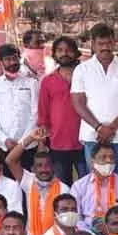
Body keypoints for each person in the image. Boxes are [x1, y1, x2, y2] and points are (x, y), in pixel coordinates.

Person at [71, 23, 118, 183]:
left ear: (114, 42)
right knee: (96, 181)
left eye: (109, 43)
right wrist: (99, 128)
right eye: (101, 44)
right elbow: (78, 103)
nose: (105, 47)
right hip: (92, 135)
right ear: (92, 44)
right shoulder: (82, 70)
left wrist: (112, 127)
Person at [38, 36, 86, 185]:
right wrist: (42, 141)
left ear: (76, 53)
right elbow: (43, 114)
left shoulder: (86, 76)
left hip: (84, 141)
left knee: (87, 185)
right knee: (62, 187)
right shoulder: (48, 81)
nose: (64, 53)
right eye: (59, 50)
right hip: (57, 143)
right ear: (54, 54)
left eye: (68, 50)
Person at [0, 42, 42, 172]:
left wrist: (23, 141)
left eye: (15, 58)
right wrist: (4, 139)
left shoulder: (31, 83)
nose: (12, 62)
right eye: (8, 59)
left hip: (29, 145)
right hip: (6, 146)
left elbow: (35, 115)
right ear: (0, 62)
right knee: (8, 185)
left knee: (29, 184)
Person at [71, 143, 118, 235]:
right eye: (103, 157)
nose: (108, 161)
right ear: (92, 160)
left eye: (111, 158)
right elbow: (76, 217)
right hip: (88, 233)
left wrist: (112, 230)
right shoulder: (79, 186)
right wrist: (89, 234)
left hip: (117, 232)